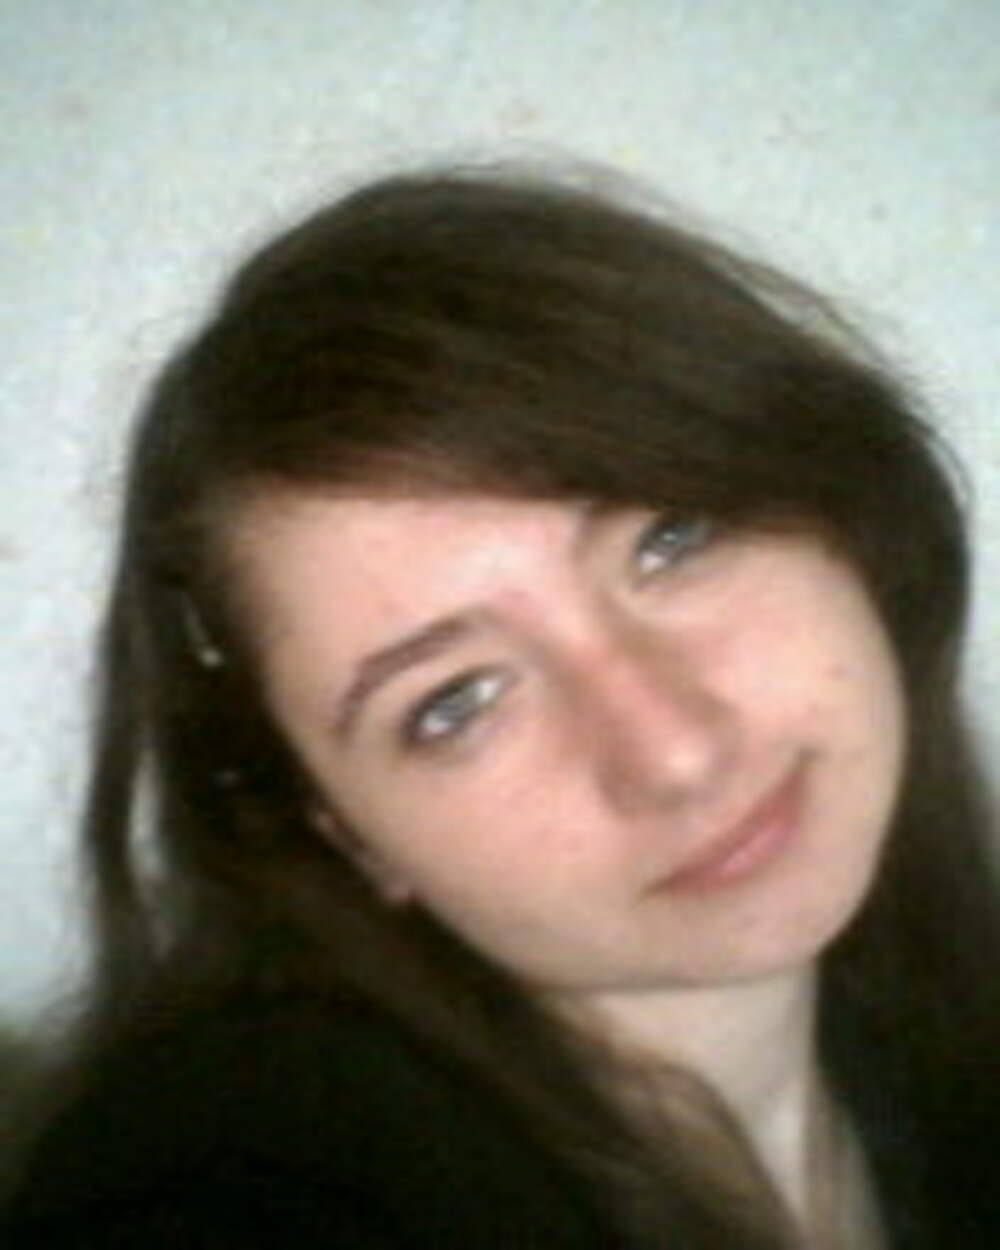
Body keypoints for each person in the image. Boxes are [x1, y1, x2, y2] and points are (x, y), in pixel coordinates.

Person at [5, 168, 999, 1249]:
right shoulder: (239, 1167)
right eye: (454, 702)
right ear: (340, 829)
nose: (674, 753)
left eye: (672, 538)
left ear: (844, 506)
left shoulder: (941, 1035)